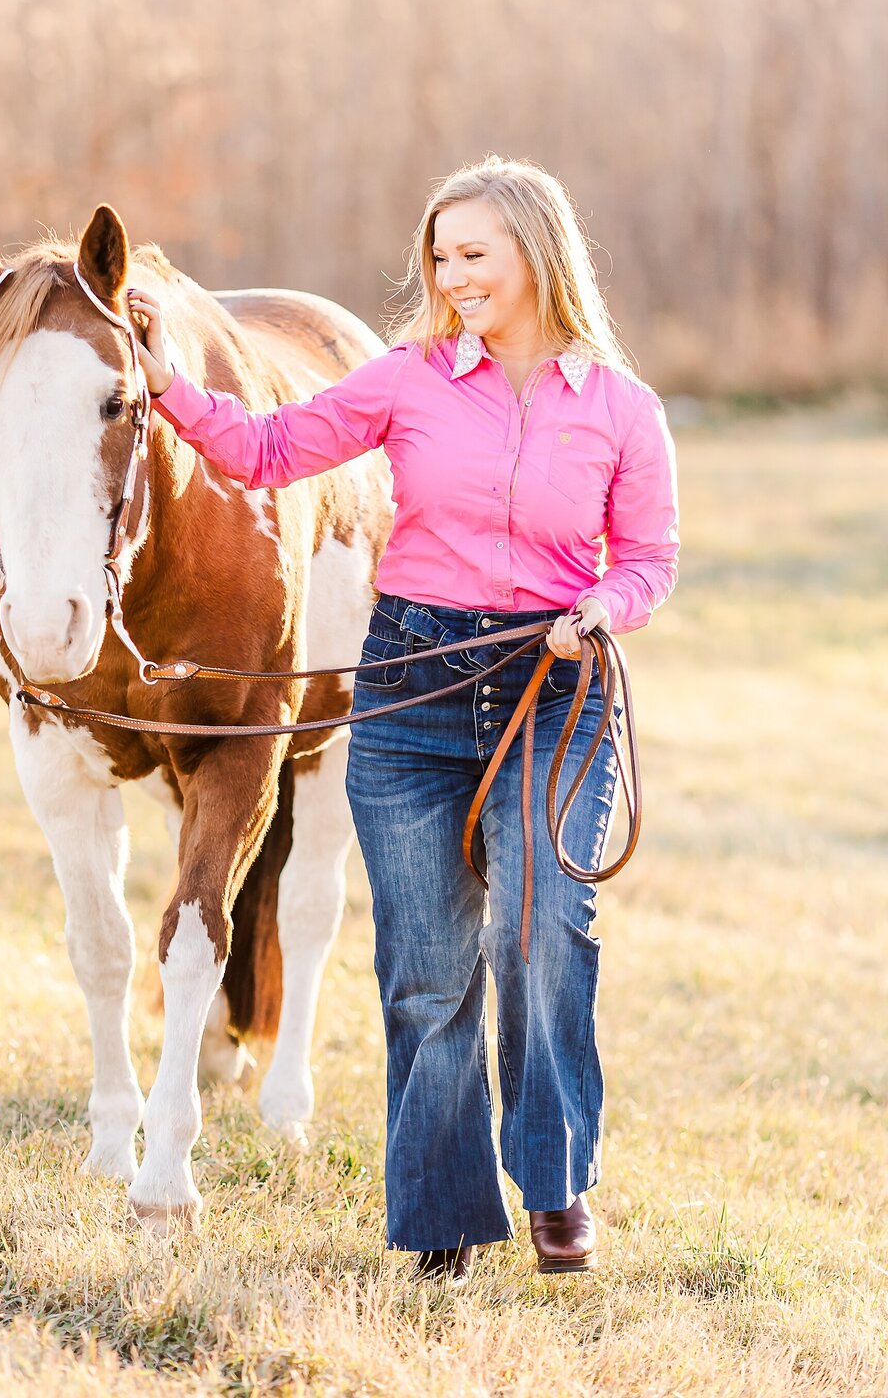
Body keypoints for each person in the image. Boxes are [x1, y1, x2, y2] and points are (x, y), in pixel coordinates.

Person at [125, 154, 679, 1282]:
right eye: (441, 255)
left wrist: (600, 607)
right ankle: (441, 1221)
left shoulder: (623, 407)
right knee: (425, 971)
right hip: (415, 687)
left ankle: (557, 1183)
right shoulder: (409, 380)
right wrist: (164, 381)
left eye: (475, 252)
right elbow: (268, 452)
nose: (453, 274)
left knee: (543, 931)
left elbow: (653, 557)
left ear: (537, 251)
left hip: (554, 688)